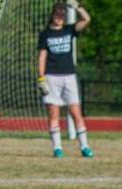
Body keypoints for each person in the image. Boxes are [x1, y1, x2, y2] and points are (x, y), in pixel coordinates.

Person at [37, 1, 93, 158]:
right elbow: (42, 57)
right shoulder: (45, 34)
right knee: (53, 113)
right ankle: (57, 148)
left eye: (62, 14)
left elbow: (86, 19)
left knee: (76, 112)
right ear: (52, 15)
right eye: (57, 14)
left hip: (69, 76)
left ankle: (85, 147)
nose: (60, 17)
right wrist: (41, 78)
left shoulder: (69, 30)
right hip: (52, 77)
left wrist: (77, 7)